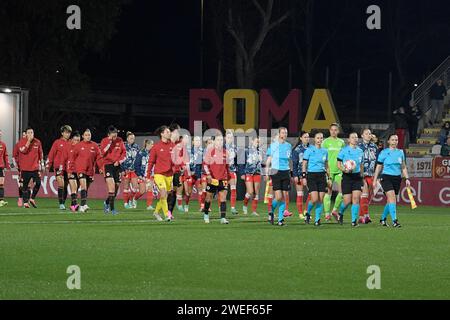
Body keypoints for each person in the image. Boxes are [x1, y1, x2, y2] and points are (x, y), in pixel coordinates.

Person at [373, 134, 411, 228]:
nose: (395, 141)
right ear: (389, 141)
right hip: (386, 177)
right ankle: (395, 221)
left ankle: (382, 219)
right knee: (392, 199)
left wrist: (407, 178)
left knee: (390, 200)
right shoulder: (384, 152)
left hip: (397, 178)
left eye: (396, 140)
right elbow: (378, 167)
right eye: (393, 140)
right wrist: (374, 179)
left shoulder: (400, 152)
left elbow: (403, 167)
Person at [146, 125, 175, 221]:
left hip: (169, 175)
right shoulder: (156, 147)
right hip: (159, 174)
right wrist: (148, 175)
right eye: (167, 132)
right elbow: (151, 162)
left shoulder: (173, 146)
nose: (169, 133)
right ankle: (167, 215)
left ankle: (156, 212)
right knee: (163, 193)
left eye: (169, 132)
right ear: (162, 134)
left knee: (166, 195)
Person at [302, 132, 330, 226]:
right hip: (311, 175)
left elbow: (326, 165)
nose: (319, 140)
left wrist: (329, 177)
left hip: (322, 175)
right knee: (314, 199)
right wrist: (304, 176)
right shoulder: (309, 150)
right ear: (314, 139)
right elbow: (304, 164)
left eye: (321, 138)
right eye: (318, 138)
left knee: (320, 199)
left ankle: (317, 220)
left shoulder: (325, 151)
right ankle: (307, 213)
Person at [265, 127, 292, 226]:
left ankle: (280, 220)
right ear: (279, 134)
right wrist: (267, 172)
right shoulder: (273, 145)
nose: (285, 134)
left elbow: (289, 160)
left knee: (284, 196)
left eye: (286, 133)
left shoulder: (289, 145)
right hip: (275, 172)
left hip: (286, 171)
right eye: (283, 133)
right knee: (279, 197)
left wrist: (291, 172)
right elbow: (268, 159)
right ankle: (271, 211)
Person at [336, 132, 364, 227]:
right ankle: (340, 213)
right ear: (348, 140)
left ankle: (353, 221)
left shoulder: (360, 151)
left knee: (356, 199)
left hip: (357, 177)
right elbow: (338, 164)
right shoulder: (343, 150)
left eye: (356, 137)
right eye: (352, 137)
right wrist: (345, 170)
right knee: (347, 201)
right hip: (347, 177)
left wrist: (362, 175)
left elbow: (361, 165)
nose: (355, 139)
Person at [71, 129, 102, 212]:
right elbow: (72, 158)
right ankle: (84, 205)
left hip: (90, 170)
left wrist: (101, 168)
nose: (88, 136)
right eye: (86, 135)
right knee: (83, 186)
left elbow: (99, 158)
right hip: (80, 169)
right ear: (83, 136)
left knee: (86, 188)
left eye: (89, 135)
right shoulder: (78, 146)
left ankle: (81, 205)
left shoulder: (95, 146)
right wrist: (70, 169)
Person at [202, 133, 230, 224]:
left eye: (221, 140)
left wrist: (228, 176)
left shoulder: (226, 152)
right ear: (214, 141)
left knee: (223, 197)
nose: (220, 142)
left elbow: (227, 166)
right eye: (218, 140)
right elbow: (205, 165)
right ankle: (206, 214)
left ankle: (222, 218)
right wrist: (209, 175)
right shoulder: (210, 151)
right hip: (212, 179)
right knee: (208, 197)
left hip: (223, 178)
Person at [100, 125, 126, 215]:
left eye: (115, 134)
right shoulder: (104, 141)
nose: (115, 136)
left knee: (116, 188)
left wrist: (119, 161)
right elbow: (102, 153)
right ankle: (112, 209)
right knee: (111, 188)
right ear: (108, 134)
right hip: (108, 166)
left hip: (117, 166)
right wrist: (109, 142)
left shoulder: (120, 140)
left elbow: (124, 153)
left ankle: (106, 202)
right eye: (112, 134)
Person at [322, 123, 345, 221]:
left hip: (339, 170)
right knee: (329, 191)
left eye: (336, 130)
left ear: (338, 131)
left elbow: (344, 156)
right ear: (329, 130)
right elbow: (322, 156)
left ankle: (334, 210)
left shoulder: (341, 142)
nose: (334, 131)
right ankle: (327, 214)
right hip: (329, 171)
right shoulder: (325, 142)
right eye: (332, 130)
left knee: (342, 191)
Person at [47, 125, 72, 210]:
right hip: (58, 166)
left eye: (69, 132)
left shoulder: (71, 143)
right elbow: (51, 154)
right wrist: (48, 165)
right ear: (62, 133)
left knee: (65, 185)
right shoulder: (57, 142)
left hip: (68, 167)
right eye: (66, 132)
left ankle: (63, 202)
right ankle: (61, 204)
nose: (67, 134)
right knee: (61, 184)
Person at [18, 127, 44, 208]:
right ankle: (25, 202)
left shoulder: (37, 142)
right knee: (25, 186)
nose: (30, 134)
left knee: (38, 183)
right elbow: (23, 151)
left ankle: (32, 198)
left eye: (32, 132)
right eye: (28, 133)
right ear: (26, 134)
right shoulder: (21, 142)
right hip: (25, 168)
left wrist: (42, 164)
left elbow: (40, 154)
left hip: (35, 168)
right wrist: (28, 142)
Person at [358, 129, 378, 224]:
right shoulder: (359, 147)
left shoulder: (374, 146)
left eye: (369, 133)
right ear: (362, 135)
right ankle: (364, 216)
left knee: (370, 194)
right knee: (364, 194)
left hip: (371, 173)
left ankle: (363, 215)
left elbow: (377, 160)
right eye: (366, 133)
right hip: (362, 174)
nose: (368, 135)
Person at [239, 136, 262, 216]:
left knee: (256, 192)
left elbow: (262, 163)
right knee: (250, 191)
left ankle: (254, 210)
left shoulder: (260, 151)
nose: (258, 143)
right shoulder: (246, 150)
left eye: (259, 142)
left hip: (257, 172)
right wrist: (242, 173)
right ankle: (245, 205)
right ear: (252, 141)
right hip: (248, 172)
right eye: (256, 141)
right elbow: (241, 162)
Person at [291, 131, 310, 219]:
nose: (307, 138)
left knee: (312, 193)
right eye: (305, 137)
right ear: (301, 138)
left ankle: (306, 210)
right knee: (300, 193)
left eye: (308, 137)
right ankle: (300, 213)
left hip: (310, 174)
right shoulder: (297, 150)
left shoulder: (311, 148)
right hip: (299, 174)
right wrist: (295, 175)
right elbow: (294, 164)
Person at [134, 139, 155, 212]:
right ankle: (135, 198)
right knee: (142, 191)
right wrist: (139, 175)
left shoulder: (153, 153)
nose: (153, 146)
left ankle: (149, 205)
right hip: (142, 174)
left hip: (150, 174)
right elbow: (136, 165)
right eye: (152, 144)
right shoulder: (140, 153)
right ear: (148, 144)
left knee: (150, 189)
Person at [183, 136, 203, 213]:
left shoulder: (202, 151)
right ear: (193, 142)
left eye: (199, 140)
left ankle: (202, 206)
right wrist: (189, 172)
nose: (198, 142)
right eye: (196, 140)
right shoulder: (188, 151)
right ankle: (186, 205)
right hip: (190, 174)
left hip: (198, 174)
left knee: (200, 190)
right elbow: (186, 163)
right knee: (189, 192)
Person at [121, 131, 140, 209]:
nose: (132, 139)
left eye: (133, 138)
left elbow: (139, 158)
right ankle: (126, 203)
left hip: (134, 170)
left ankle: (130, 200)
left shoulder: (136, 147)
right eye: (131, 138)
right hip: (126, 169)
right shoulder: (123, 146)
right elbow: (121, 158)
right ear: (127, 139)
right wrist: (122, 169)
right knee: (126, 187)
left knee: (135, 188)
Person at [66, 131, 81, 212]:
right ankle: (75, 205)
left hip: (79, 171)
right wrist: (68, 171)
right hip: (71, 171)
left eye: (78, 140)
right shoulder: (69, 148)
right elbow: (67, 160)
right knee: (74, 187)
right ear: (72, 140)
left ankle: (72, 206)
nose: (77, 142)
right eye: (75, 140)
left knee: (76, 189)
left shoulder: (81, 149)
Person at [225, 130, 238, 215]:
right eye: (228, 137)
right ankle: (220, 207)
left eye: (231, 137)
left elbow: (236, 159)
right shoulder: (222, 147)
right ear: (225, 138)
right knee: (224, 190)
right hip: (224, 171)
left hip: (232, 170)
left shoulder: (234, 147)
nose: (230, 139)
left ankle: (233, 207)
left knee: (233, 189)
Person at [12, 131, 27, 207]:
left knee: (28, 184)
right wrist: (16, 165)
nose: (24, 136)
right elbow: (14, 156)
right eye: (23, 135)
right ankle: (21, 198)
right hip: (21, 167)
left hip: (30, 167)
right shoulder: (18, 144)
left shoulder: (30, 144)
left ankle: (26, 200)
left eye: (26, 135)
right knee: (22, 184)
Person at [0, 130, 10, 207]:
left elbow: (5, 156)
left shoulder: (3, 145)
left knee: (1, 184)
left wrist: (7, 166)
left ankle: (1, 200)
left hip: (1, 167)